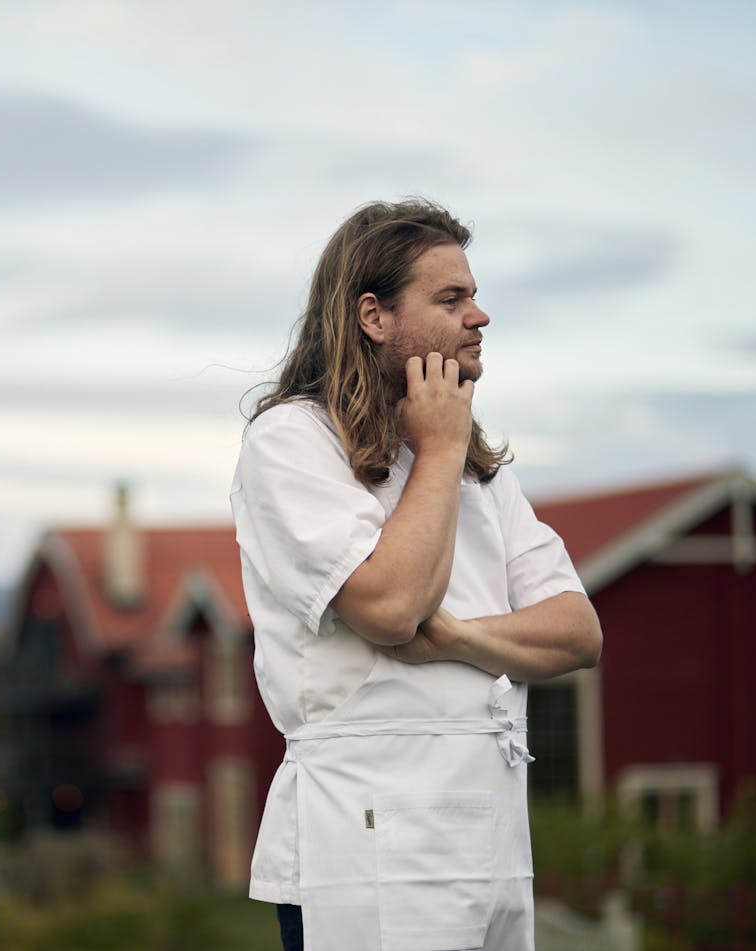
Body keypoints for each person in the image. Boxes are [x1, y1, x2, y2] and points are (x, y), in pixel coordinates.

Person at [230, 199, 603, 951]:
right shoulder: (293, 442)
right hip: (363, 841)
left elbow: (577, 632)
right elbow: (393, 606)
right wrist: (435, 449)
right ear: (374, 316)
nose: (480, 316)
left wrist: (458, 636)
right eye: (451, 298)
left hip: (495, 843)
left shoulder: (478, 469)